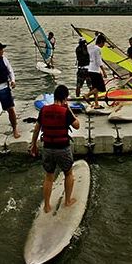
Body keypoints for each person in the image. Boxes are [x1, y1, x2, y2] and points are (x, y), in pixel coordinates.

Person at [30, 85, 80, 213]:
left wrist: (33, 145)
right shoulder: (65, 111)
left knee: (48, 176)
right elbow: (77, 125)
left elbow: (36, 129)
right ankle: (67, 201)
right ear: (65, 98)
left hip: (47, 148)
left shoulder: (44, 110)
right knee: (68, 173)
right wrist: (68, 108)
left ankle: (47, 206)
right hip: (62, 148)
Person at [82, 34, 107, 109]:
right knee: (101, 88)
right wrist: (104, 71)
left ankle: (96, 104)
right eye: (104, 43)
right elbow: (99, 61)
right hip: (95, 70)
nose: (104, 45)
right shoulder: (98, 49)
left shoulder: (90, 47)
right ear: (101, 42)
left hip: (89, 69)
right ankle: (87, 95)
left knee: (95, 88)